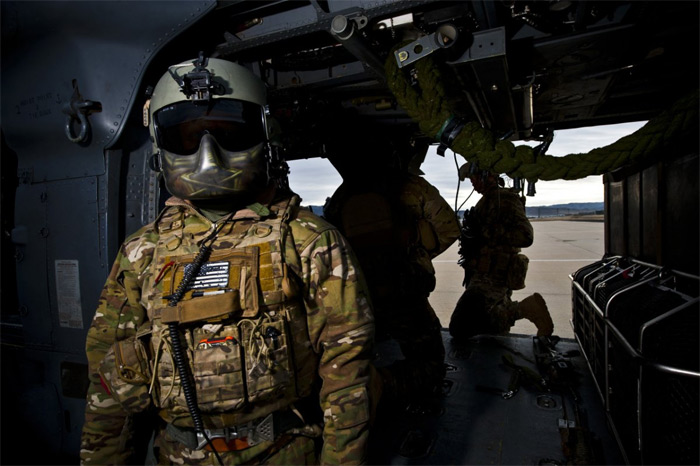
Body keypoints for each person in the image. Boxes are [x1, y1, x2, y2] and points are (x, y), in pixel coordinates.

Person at [80, 55, 375, 465]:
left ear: (265, 136)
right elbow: (110, 380)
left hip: (283, 452)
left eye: (228, 133)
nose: (208, 152)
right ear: (161, 146)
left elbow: (348, 374)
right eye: (187, 137)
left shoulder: (308, 241)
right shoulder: (142, 251)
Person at [323, 123, 460, 408]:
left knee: (365, 351)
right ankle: (383, 385)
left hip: (363, 294)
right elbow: (449, 229)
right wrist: (418, 255)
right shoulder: (412, 186)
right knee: (430, 362)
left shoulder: (343, 194)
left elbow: (334, 245)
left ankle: (357, 390)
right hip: (405, 289)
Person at [449, 162, 554, 339]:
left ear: (488, 175)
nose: (473, 183)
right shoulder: (488, 200)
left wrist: (486, 232)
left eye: (475, 178)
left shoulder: (505, 199)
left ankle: (525, 309)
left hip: (493, 275)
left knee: (460, 327)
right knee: (491, 334)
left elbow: (525, 236)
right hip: (482, 272)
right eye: (471, 180)